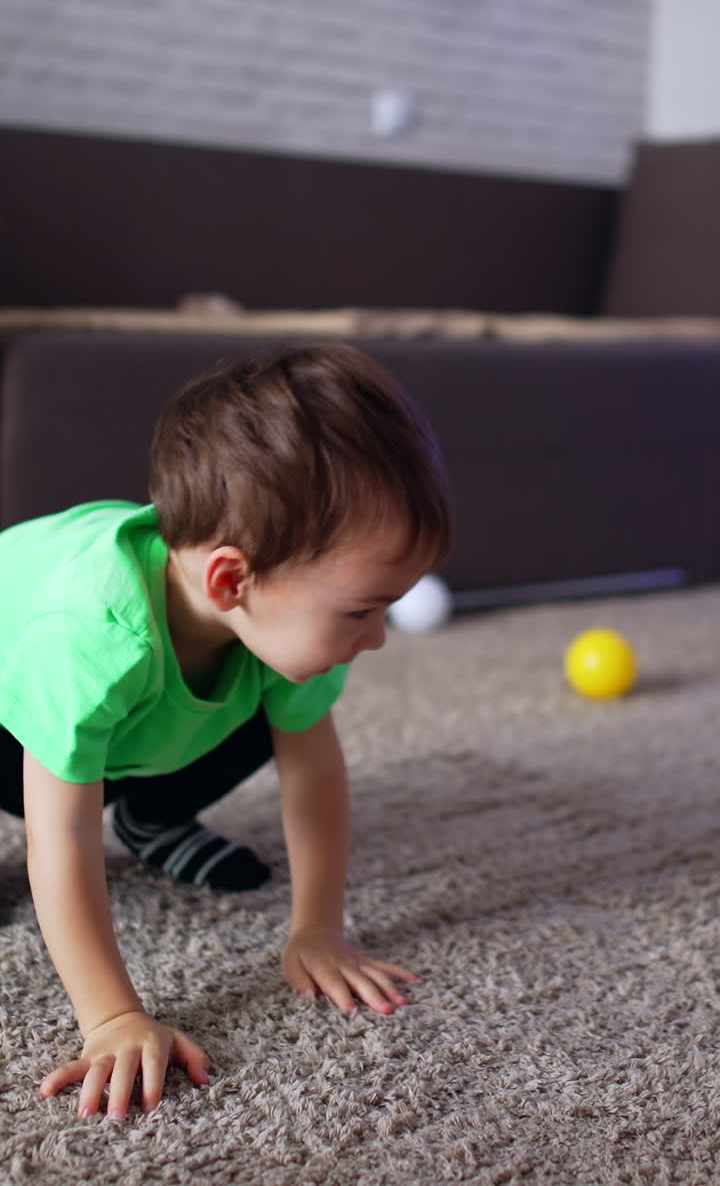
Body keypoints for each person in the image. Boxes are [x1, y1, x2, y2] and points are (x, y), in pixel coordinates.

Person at [0, 342, 451, 1121]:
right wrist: (111, 1018)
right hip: (15, 726)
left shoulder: (274, 625)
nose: (377, 637)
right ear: (232, 579)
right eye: (360, 610)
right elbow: (61, 838)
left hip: (133, 724)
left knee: (281, 690)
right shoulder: (91, 638)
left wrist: (317, 926)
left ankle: (151, 814)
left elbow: (312, 771)